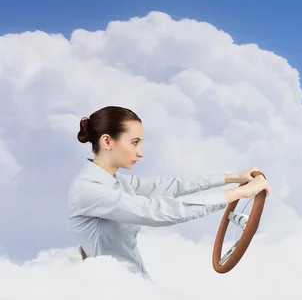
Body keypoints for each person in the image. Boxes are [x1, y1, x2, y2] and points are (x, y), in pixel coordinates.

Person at [67, 105, 270, 280]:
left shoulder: (117, 181)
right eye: (134, 142)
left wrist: (234, 178)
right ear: (107, 141)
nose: (141, 152)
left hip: (134, 283)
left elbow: (171, 186)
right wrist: (238, 194)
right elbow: (158, 212)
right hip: (114, 293)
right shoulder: (90, 190)